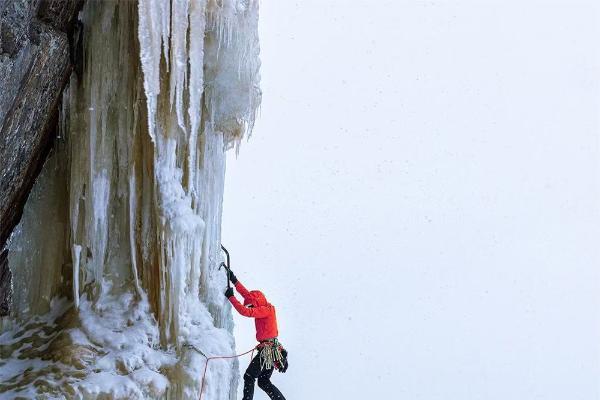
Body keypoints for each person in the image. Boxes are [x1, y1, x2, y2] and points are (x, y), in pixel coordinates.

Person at [225, 269, 288, 400]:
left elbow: (245, 312)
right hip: (271, 350)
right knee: (263, 381)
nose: (251, 308)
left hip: (268, 351)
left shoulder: (265, 310)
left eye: (252, 305)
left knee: (249, 376)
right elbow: (247, 294)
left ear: (257, 303)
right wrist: (234, 280)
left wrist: (231, 297)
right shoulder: (263, 305)